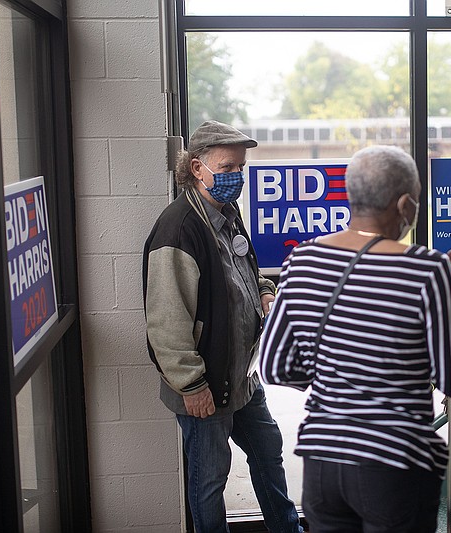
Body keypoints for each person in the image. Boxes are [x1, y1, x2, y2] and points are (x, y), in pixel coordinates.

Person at [258, 145, 451, 533]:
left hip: (324, 461)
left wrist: (340, 378)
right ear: (405, 204)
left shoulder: (303, 259)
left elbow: (275, 366)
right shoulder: (427, 269)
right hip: (395, 462)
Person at [142, 120, 302, 533]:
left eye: (241, 169)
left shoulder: (226, 213)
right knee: (210, 483)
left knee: (268, 454)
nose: (237, 178)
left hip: (241, 379)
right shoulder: (177, 229)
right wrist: (191, 386)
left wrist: (265, 291)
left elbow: (244, 268)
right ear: (197, 168)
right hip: (205, 386)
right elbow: (166, 321)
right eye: (227, 168)